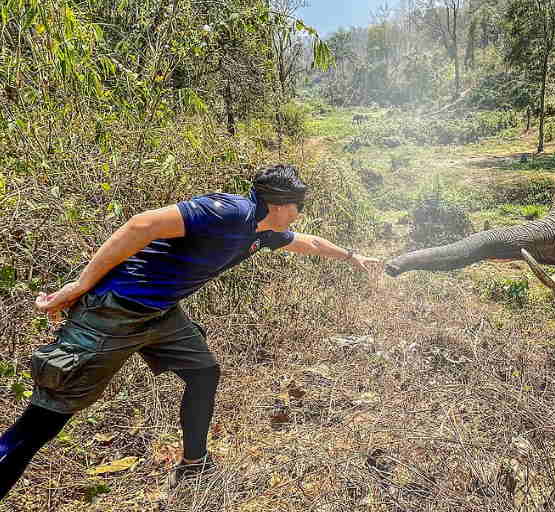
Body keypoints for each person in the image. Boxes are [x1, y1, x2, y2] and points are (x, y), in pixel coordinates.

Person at [0, 164, 381, 498]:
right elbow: (142, 224)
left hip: (162, 315)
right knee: (44, 421)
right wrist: (81, 285)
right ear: (281, 205)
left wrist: (353, 257)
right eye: (298, 206)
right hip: (113, 314)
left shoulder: (261, 230)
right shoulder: (230, 212)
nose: (299, 214)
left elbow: (308, 242)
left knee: (203, 372)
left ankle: (193, 463)